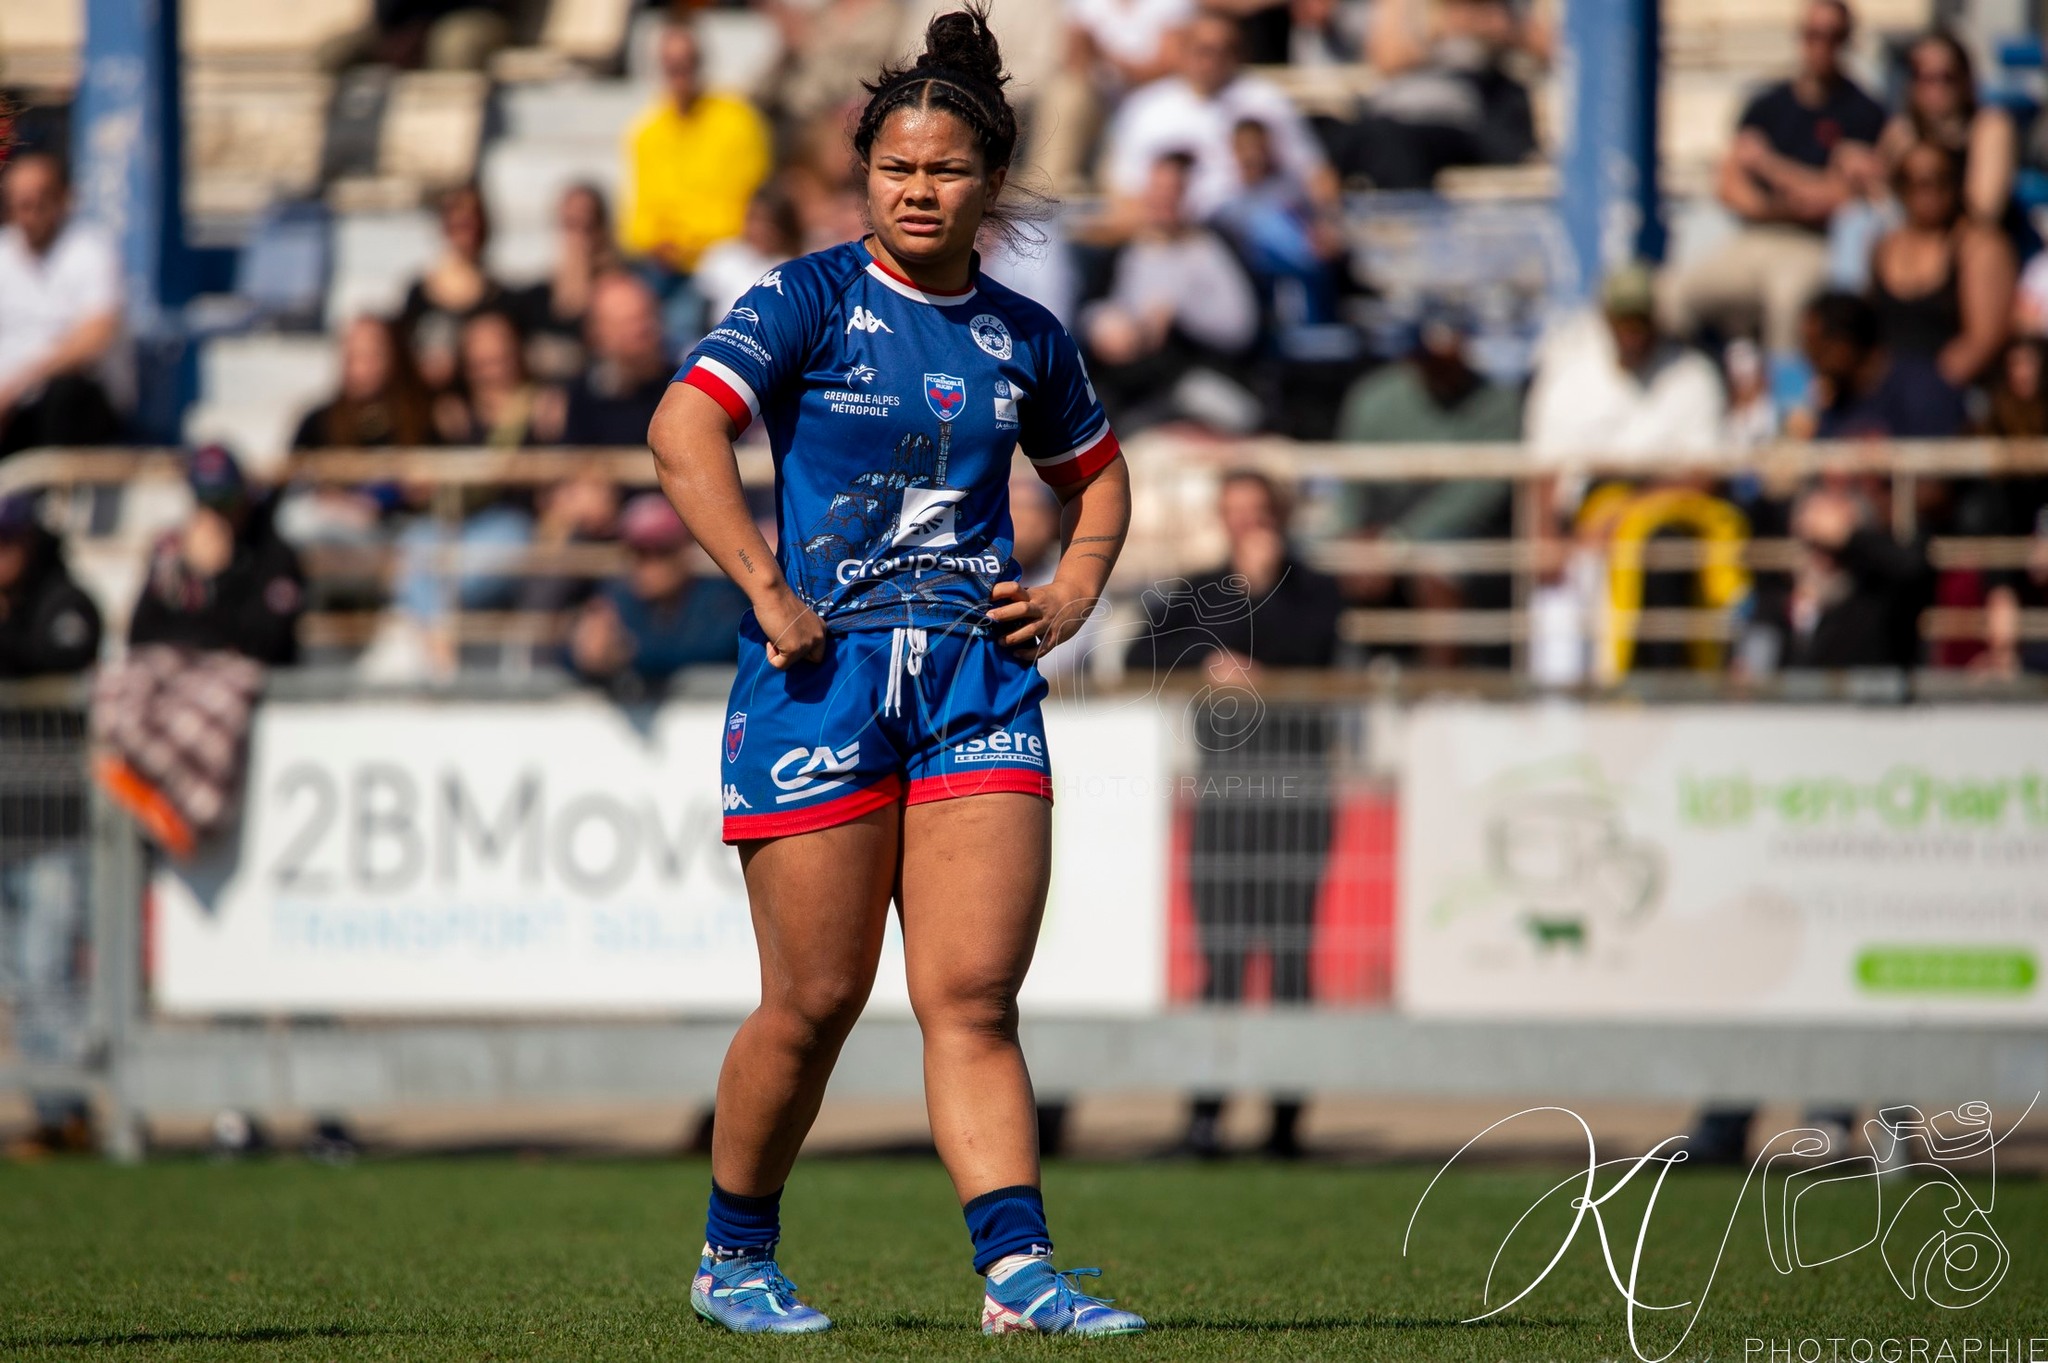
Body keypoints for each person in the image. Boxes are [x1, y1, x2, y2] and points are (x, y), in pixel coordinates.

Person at [648, 6, 1144, 1335]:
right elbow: (682, 430)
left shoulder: (1025, 335)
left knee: (973, 996)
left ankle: (1017, 1269)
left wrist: (1073, 593)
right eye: (894, 169)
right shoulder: (803, 298)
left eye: (945, 171)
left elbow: (1098, 483)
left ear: (992, 182)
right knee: (812, 1000)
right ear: (865, 171)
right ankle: (733, 1252)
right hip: (821, 682)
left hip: (977, 685)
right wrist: (765, 587)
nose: (918, 190)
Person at [1125, 469, 1342, 1160]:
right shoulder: (1199, 587)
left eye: (1260, 511)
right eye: (1237, 512)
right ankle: (1205, 1114)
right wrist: (1207, 657)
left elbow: (1313, 649)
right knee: (1218, 957)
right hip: (1223, 792)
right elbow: (1140, 652)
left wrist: (1256, 596)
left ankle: (1285, 1120)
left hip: (1299, 790)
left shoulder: (1314, 588)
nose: (1249, 523)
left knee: (1289, 960)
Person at [1658, 0, 1886, 354]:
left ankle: (1782, 404)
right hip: (1752, 239)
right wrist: (1792, 197)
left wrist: (1768, 166)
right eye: (1813, 34)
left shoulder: (1864, 112)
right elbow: (1729, 186)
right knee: (1671, 295)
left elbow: (1837, 199)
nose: (1822, 45)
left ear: (1847, 40)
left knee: (1790, 307)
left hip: (1812, 246)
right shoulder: (1766, 105)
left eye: (1833, 36)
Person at [1081, 152, 1262, 429]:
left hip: (1194, 374)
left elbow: (1241, 328)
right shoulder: (1126, 251)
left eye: (1173, 190)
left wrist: (1178, 318)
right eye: (1158, 189)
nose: (1163, 199)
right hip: (1130, 377)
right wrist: (1103, 323)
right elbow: (1091, 307)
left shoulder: (1208, 248)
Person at [1103, 11, 1338, 220]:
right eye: (1204, 50)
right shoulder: (1146, 108)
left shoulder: (1265, 101)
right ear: (1184, 50)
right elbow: (1125, 194)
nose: (1212, 61)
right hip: (1178, 232)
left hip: (1256, 227)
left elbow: (1315, 173)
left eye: (1225, 50)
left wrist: (1326, 222)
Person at [619, 22, 774, 276]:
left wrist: (689, 240)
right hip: (662, 259)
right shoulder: (646, 132)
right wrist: (655, 242)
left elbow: (754, 202)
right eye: (671, 64)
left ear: (700, 63)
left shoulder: (738, 119)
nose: (679, 72)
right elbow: (638, 216)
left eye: (686, 63)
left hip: (723, 254)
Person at [129, 445, 305, 666]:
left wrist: (219, 577)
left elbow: (265, 645)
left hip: (236, 675)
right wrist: (187, 572)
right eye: (204, 501)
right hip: (172, 671)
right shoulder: (172, 552)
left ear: (243, 497)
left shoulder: (274, 555)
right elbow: (140, 635)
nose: (215, 514)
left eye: (224, 502)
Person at [0, 152, 126, 459]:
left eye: (39, 201)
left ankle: (47, 501)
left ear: (62, 199)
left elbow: (95, 336)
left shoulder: (90, 251)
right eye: (21, 203)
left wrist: (17, 385)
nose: (30, 214)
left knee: (64, 395)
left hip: (72, 403)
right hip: (12, 406)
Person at [1341, 0, 1542, 190]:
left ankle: (1414, 218)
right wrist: (1439, 28)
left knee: (1395, 144)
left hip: (1459, 120)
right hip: (1395, 113)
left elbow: (1544, 42)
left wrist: (1486, 24)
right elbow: (1387, 59)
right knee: (1372, 139)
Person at [567, 494, 748, 694]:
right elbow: (564, 655)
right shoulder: (617, 598)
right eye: (638, 551)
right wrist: (586, 653)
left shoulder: (719, 597)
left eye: (661, 551)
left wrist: (628, 653)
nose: (648, 565)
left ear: (685, 550)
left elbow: (714, 651)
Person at [1868, 140, 2013, 389]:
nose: (1928, 192)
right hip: (1890, 388)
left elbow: (1984, 339)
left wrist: (1928, 388)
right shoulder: (1883, 247)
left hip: (1953, 388)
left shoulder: (1980, 246)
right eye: (1914, 182)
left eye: (1939, 180)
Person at [1878, 31, 2017, 233]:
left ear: (1966, 80)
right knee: (1858, 219)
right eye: (1925, 77)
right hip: (1915, 240)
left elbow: (1986, 211)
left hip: (1974, 241)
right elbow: (1879, 194)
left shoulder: (1989, 126)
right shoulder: (1901, 131)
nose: (1936, 88)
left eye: (1947, 77)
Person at [1801, 290, 1966, 439]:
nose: (1811, 362)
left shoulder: (1924, 390)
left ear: (1842, 349)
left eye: (1817, 351)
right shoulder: (1837, 405)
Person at [398, 183, 509, 394]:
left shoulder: (500, 298)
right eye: (456, 223)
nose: (465, 233)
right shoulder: (419, 294)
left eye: (471, 223)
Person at [511, 183, 620, 383]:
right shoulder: (532, 300)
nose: (577, 238)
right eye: (570, 224)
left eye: (587, 226)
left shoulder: (618, 300)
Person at [562, 273, 674, 447]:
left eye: (645, 317)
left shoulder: (683, 389)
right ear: (596, 333)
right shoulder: (581, 398)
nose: (640, 330)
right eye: (626, 323)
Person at [0, 490, 100, 677]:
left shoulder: (67, 603)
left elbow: (63, 661)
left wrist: (6, 627)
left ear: (28, 542)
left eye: (5, 540)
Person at [691, 184, 803, 326]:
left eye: (769, 223)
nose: (760, 230)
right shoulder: (722, 255)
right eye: (754, 219)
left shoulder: (795, 268)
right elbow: (697, 313)